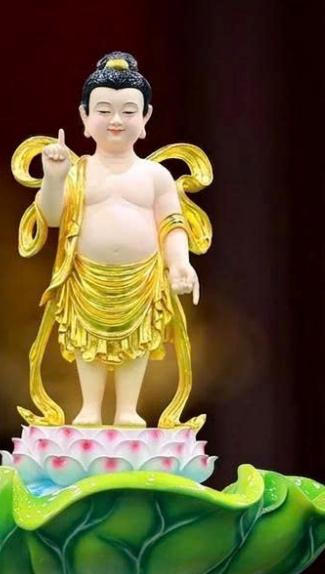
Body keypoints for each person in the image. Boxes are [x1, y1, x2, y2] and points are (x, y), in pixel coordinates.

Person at [12, 52, 211, 429]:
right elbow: (52, 217)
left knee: (138, 342)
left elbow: (172, 224)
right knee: (86, 341)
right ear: (85, 118)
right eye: (104, 110)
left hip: (142, 278)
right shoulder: (77, 172)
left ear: (146, 118)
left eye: (128, 111)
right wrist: (54, 177)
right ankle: (89, 407)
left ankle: (127, 409)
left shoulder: (155, 176)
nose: (116, 120)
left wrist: (180, 262)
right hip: (86, 276)